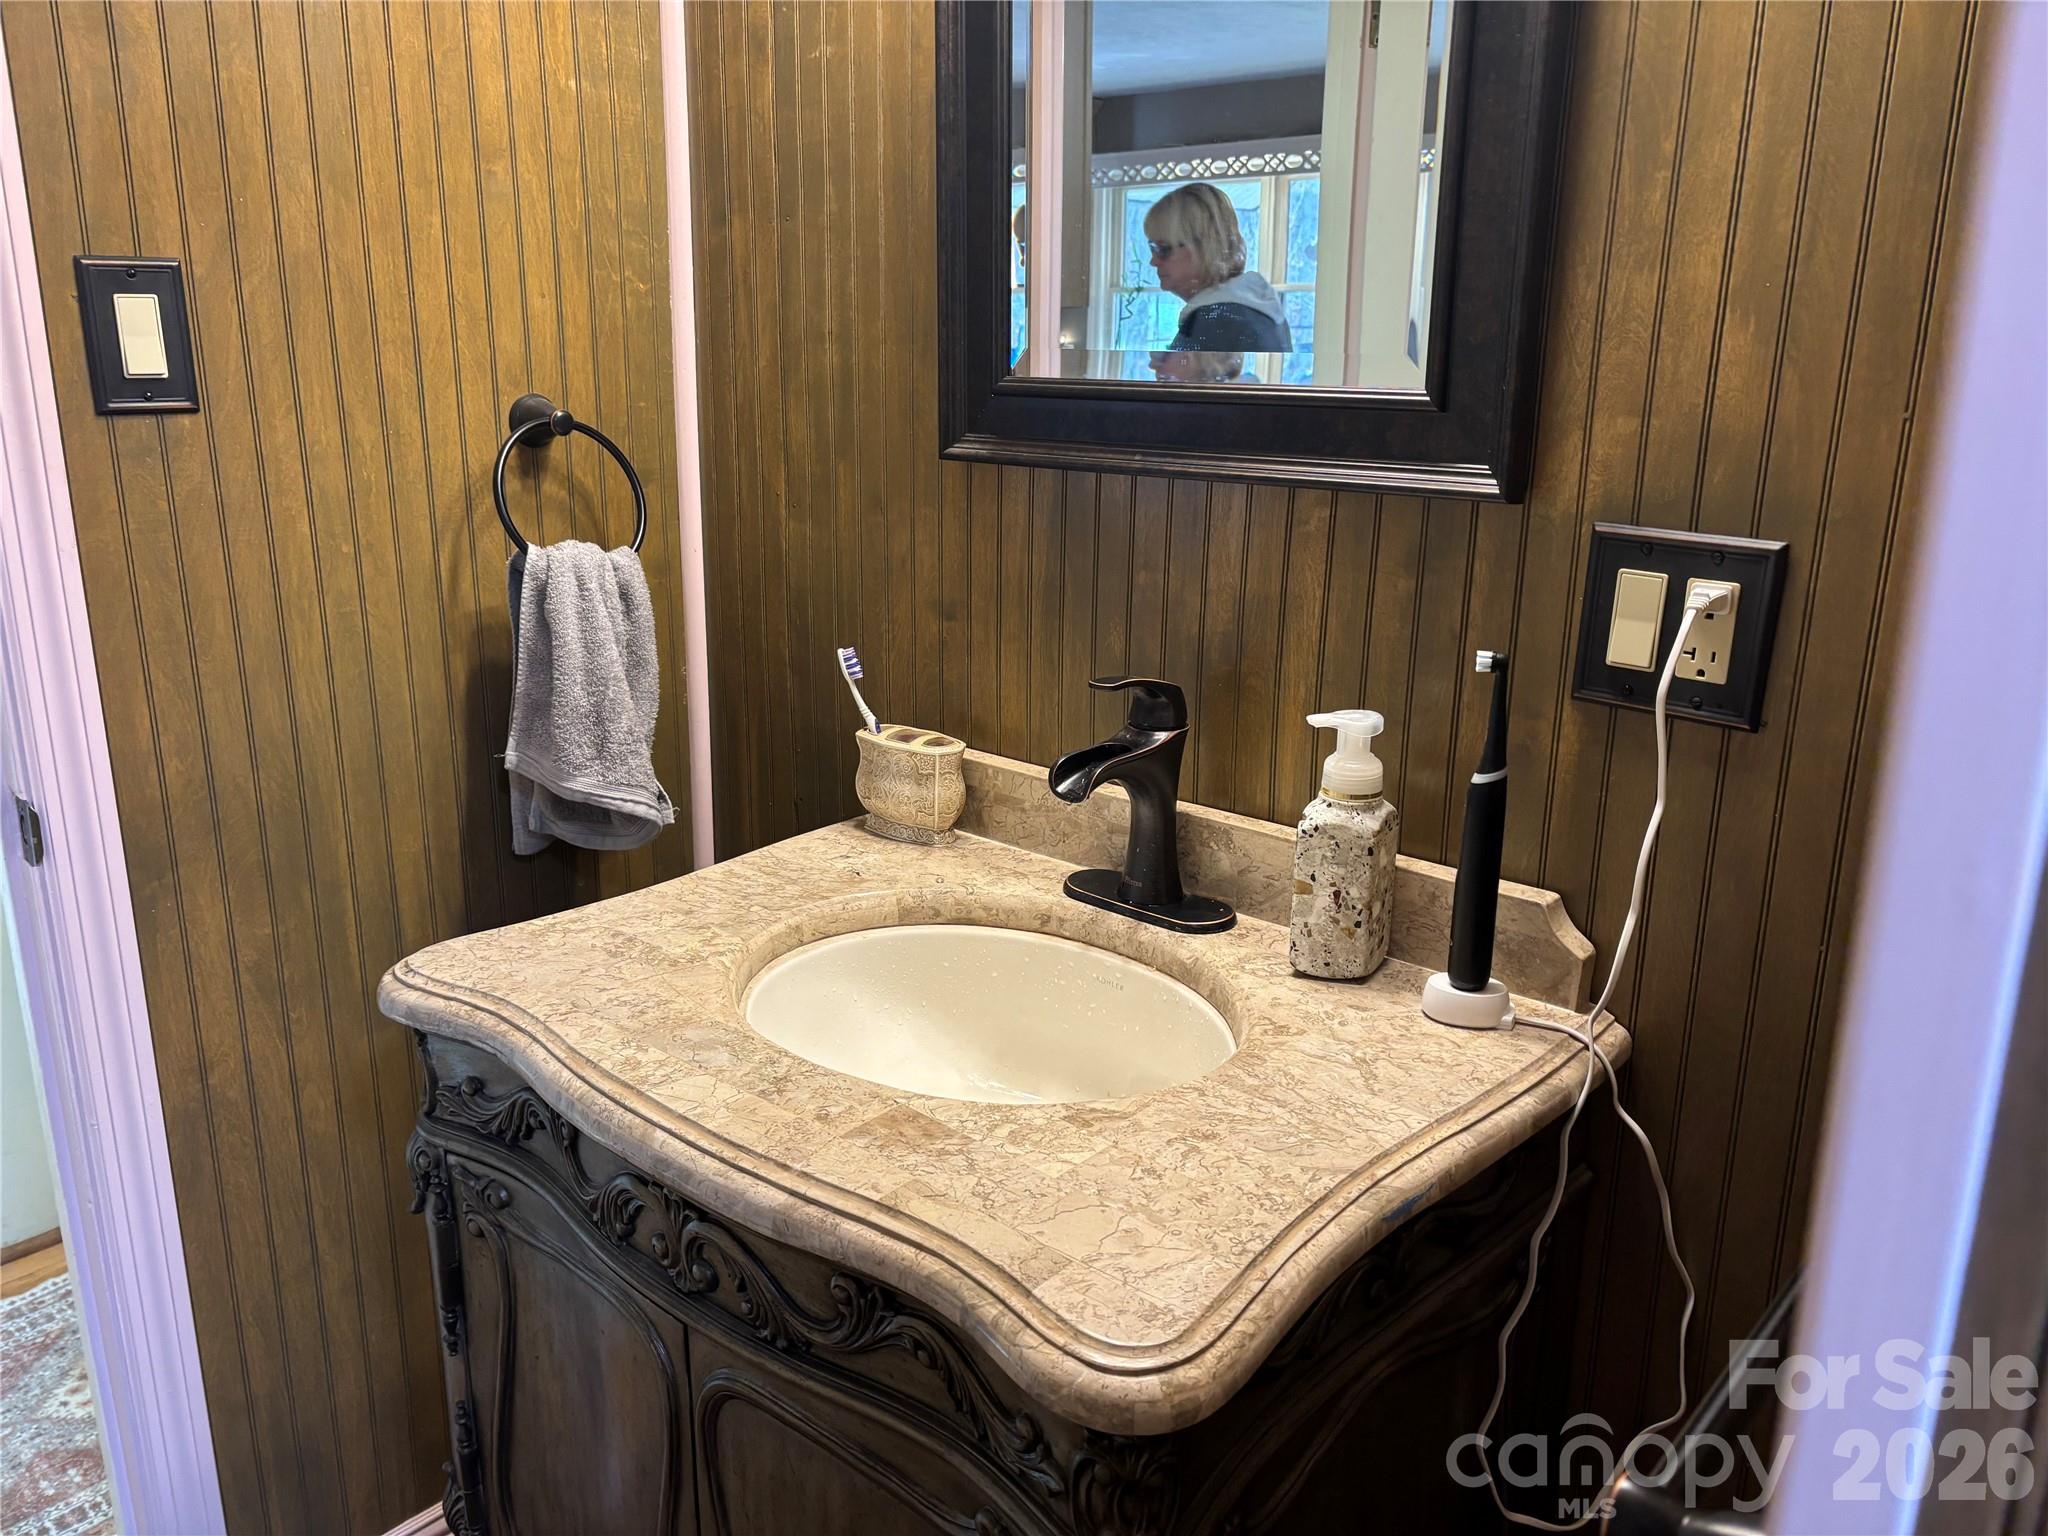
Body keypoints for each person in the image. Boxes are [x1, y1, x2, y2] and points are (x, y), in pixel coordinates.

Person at [1144, 182, 1293, 353]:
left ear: (1204, 247)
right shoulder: (1251, 309)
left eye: (1162, 249)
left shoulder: (1216, 319)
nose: (1153, 261)